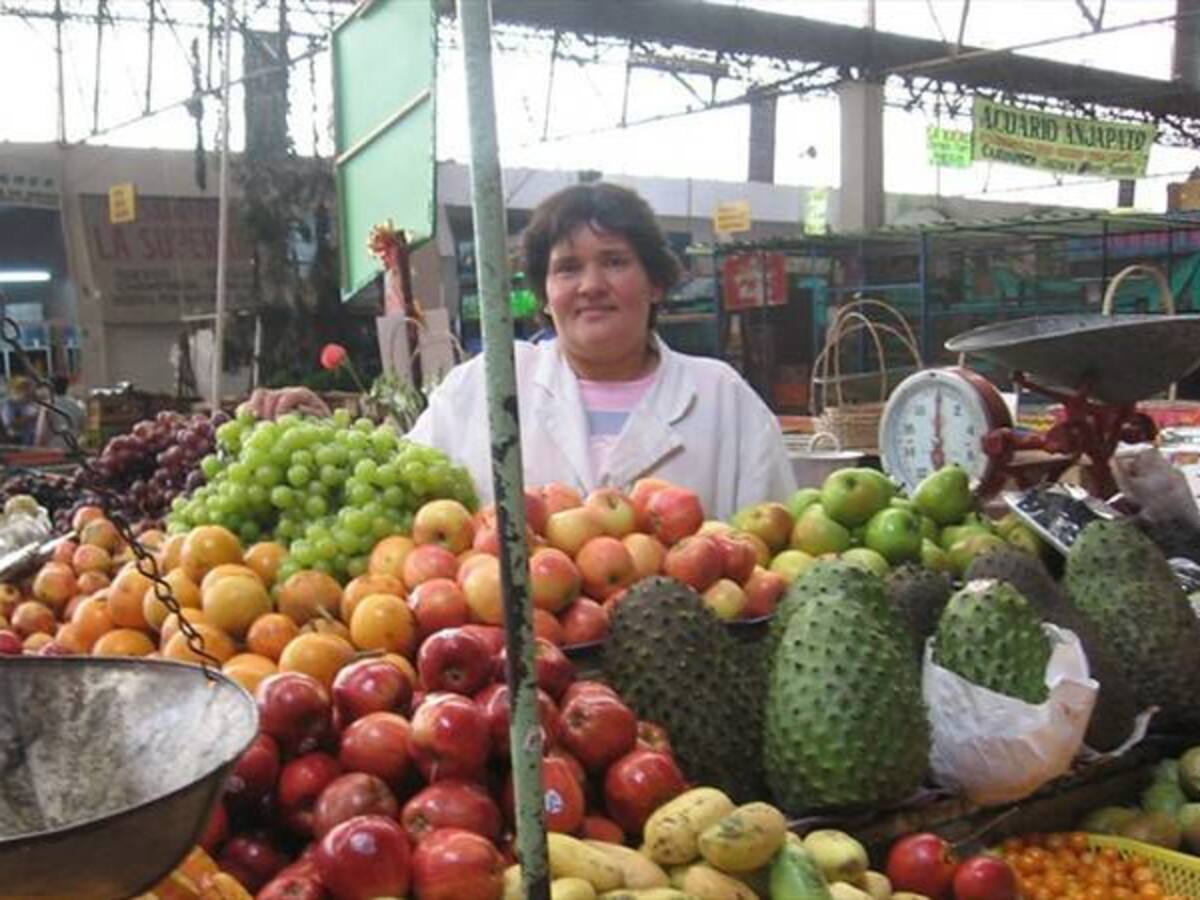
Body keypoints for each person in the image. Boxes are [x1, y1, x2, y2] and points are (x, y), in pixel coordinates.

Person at [408, 182, 797, 519]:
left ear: (656, 283)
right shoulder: (483, 386)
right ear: (545, 295)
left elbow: (771, 550)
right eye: (568, 268)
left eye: (614, 261)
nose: (591, 285)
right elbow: (410, 512)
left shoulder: (723, 398)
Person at [34, 375, 86, 449]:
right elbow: (83, 428)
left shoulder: (48, 405)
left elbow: (41, 432)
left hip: (53, 449)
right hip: (73, 447)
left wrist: (38, 446)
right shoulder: (77, 405)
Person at [1, 376, 39, 446]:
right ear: (19, 390)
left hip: (33, 439)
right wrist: (28, 418)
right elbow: (9, 425)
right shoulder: (9, 405)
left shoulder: (31, 404)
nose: (31, 395)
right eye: (27, 392)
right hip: (18, 441)